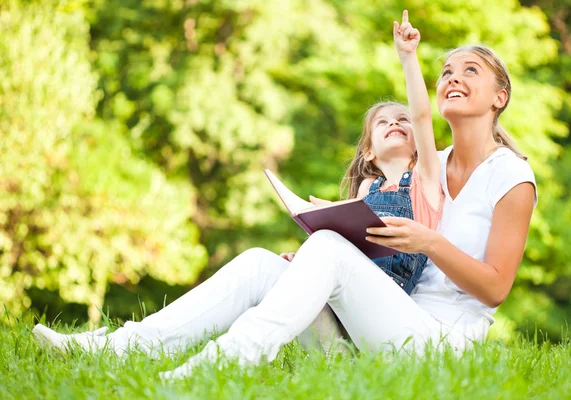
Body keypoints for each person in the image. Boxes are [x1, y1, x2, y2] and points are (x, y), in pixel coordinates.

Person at [33, 10, 536, 381]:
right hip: (368, 331)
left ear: (499, 98)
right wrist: (319, 254)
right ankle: (114, 349)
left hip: (437, 348)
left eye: (470, 71)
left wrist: (429, 243)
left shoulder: (511, 177)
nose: (453, 77)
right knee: (259, 263)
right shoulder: (434, 163)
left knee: (329, 255)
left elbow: (494, 290)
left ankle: (212, 370)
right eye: (447, 70)